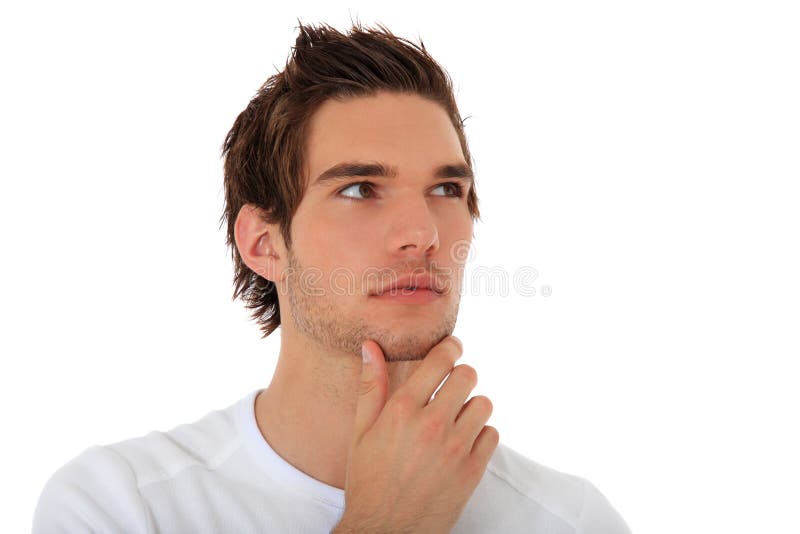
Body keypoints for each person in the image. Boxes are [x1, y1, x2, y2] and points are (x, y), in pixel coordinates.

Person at [33, 21, 631, 533]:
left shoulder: (571, 519)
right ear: (264, 243)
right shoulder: (120, 506)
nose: (422, 232)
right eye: (359, 188)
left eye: (447, 188)